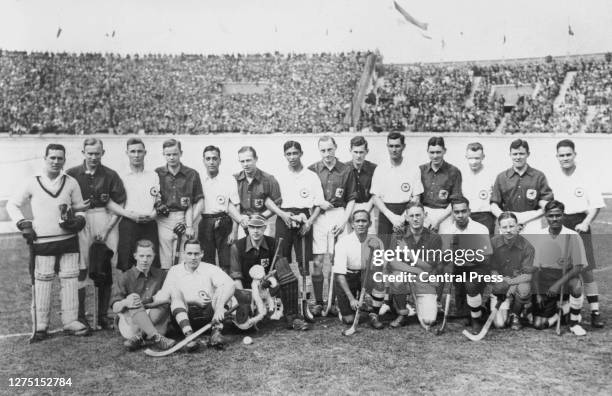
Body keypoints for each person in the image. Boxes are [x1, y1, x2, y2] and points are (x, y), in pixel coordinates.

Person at [8, 143, 89, 341]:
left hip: (69, 240)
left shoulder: (71, 182)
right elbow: (13, 204)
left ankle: (70, 321)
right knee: (43, 281)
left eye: (59, 158)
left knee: (70, 279)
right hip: (42, 240)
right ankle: (41, 325)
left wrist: (79, 219)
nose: (55, 161)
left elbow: (80, 208)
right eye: (52, 158)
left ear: (64, 160)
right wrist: (23, 224)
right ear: (45, 159)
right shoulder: (32, 181)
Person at [66, 137, 126, 330]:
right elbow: (64, 201)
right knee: (81, 268)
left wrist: (108, 227)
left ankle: (103, 316)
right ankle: (80, 316)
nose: (93, 157)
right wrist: (75, 211)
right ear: (83, 152)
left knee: (105, 267)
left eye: (97, 153)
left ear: (103, 153)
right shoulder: (72, 174)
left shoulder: (110, 174)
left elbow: (120, 204)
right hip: (81, 220)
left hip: (105, 219)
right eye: (89, 153)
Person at [548, 139, 605, 328]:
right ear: (557, 157)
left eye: (568, 154)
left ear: (574, 155)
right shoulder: (553, 176)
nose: (565, 158)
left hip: (581, 223)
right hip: (560, 224)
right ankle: (565, 309)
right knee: (561, 268)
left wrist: (586, 222)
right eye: (561, 155)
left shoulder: (586, 175)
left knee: (586, 270)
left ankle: (595, 311)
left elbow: (596, 204)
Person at [230, 214, 309, 331]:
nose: (255, 231)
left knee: (290, 278)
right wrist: (245, 302)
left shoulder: (274, 243)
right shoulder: (237, 246)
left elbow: (281, 268)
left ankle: (293, 317)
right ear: (248, 228)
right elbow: (236, 278)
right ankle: (251, 312)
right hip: (247, 288)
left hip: (268, 285)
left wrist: (272, 279)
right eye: (252, 227)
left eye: (259, 227)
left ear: (264, 228)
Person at [155, 239, 236, 352]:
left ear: (202, 253)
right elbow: (164, 297)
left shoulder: (210, 268)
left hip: (209, 317)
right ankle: (189, 336)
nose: (193, 257)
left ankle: (216, 333)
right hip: (184, 318)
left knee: (223, 289)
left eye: (196, 254)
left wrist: (220, 307)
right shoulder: (174, 271)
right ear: (184, 254)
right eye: (189, 253)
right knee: (175, 292)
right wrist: (192, 301)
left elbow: (231, 285)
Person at [308, 136, 357, 315]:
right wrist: (320, 203)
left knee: (337, 261)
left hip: (339, 215)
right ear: (319, 150)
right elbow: (308, 197)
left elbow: (351, 198)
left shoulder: (346, 170)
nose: (327, 154)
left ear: (336, 148)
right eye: (323, 150)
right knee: (318, 261)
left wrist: (344, 221)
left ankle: (335, 301)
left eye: (330, 149)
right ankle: (319, 302)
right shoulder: (312, 169)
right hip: (319, 217)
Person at [530, 200, 588, 336]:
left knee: (577, 285)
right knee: (539, 325)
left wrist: (557, 285)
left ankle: (574, 323)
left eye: (558, 215)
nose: (554, 219)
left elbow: (578, 266)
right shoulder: (539, 235)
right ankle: (560, 313)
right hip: (545, 278)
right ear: (545, 216)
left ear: (564, 215)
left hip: (565, 277)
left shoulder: (573, 236)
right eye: (551, 216)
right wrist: (538, 293)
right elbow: (534, 267)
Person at [269, 141, 323, 283]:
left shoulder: (311, 176)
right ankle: (285, 296)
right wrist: (282, 214)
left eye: (295, 153)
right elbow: (269, 200)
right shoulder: (279, 175)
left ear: (301, 154)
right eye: (288, 154)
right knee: (281, 261)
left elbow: (319, 204)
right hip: (284, 217)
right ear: (284, 155)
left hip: (303, 218)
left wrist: (309, 223)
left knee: (303, 262)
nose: (292, 157)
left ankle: (305, 297)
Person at [110, 239, 176, 351]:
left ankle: (141, 337)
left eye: (148, 256)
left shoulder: (161, 275)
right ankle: (155, 337)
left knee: (163, 300)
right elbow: (115, 307)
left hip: (157, 320)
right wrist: (126, 302)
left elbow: (169, 299)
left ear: (154, 256)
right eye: (141, 256)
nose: (145, 260)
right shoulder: (125, 277)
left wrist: (149, 305)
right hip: (131, 325)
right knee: (133, 298)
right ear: (135, 256)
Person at [440, 197, 492, 335]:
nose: (460, 215)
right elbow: (444, 257)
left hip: (478, 268)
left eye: (463, 211)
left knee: (471, 285)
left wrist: (464, 256)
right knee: (463, 310)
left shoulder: (480, 229)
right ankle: (474, 312)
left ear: (469, 211)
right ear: (452, 213)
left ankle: (476, 320)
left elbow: (486, 257)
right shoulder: (447, 231)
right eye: (456, 212)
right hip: (458, 269)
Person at [386, 204, 442, 328]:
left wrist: (409, 254)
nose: (415, 219)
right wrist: (416, 270)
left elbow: (429, 267)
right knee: (397, 277)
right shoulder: (398, 234)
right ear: (406, 217)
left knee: (429, 320)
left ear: (425, 216)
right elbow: (392, 262)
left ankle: (415, 303)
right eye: (411, 216)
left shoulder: (434, 237)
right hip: (406, 275)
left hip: (424, 279)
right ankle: (402, 312)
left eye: (418, 215)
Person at [155, 139, 204, 269]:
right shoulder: (157, 173)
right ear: (163, 154)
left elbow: (199, 201)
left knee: (184, 258)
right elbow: (153, 197)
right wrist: (158, 204)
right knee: (165, 257)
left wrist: (189, 224)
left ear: (181, 153)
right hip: (163, 219)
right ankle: (167, 287)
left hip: (184, 216)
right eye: (168, 154)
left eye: (175, 154)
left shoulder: (192, 174)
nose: (171, 157)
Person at [332, 210, 385, 329]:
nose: (361, 224)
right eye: (357, 221)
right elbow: (339, 274)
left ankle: (373, 313)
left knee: (380, 279)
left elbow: (378, 269)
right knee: (349, 320)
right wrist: (351, 299)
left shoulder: (376, 242)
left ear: (370, 224)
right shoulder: (343, 242)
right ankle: (343, 306)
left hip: (364, 275)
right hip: (347, 276)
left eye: (364, 221)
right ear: (352, 224)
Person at [116, 138, 161, 271]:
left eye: (139, 151)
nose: (136, 155)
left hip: (149, 223)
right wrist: (129, 215)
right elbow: (113, 202)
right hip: (129, 223)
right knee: (127, 262)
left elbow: (158, 199)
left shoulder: (153, 175)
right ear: (127, 153)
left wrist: (154, 214)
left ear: (145, 153)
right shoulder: (120, 175)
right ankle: (127, 292)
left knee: (151, 262)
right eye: (133, 151)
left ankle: (150, 292)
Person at [195, 145, 242, 273]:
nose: (211, 162)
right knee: (206, 261)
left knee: (226, 262)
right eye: (208, 158)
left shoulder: (229, 180)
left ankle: (225, 289)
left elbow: (236, 204)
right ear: (203, 160)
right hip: (205, 222)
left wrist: (234, 231)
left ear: (220, 160)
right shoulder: (198, 179)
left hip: (224, 222)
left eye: (214, 158)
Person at [371, 132, 423, 248]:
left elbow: (416, 197)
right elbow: (375, 197)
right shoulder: (380, 169)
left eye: (397, 146)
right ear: (387, 146)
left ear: (403, 146)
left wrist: (403, 217)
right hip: (386, 214)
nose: (394, 150)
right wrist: (391, 216)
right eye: (391, 146)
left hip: (406, 212)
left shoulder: (413, 168)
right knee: (383, 250)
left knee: (406, 252)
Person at [490, 139, 553, 234]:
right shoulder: (502, 177)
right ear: (510, 155)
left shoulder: (539, 176)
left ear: (528, 154)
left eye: (521, 154)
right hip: (508, 221)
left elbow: (547, 203)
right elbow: (494, 203)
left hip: (532, 220)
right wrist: (506, 218)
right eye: (515, 154)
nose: (518, 157)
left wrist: (528, 217)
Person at [489, 212, 535, 330]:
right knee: (500, 324)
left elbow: (528, 276)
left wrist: (510, 283)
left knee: (524, 289)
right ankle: (499, 303)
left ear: (518, 227)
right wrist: (501, 280)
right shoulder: (493, 243)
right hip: (500, 282)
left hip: (517, 282)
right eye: (504, 227)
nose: (508, 230)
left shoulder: (527, 246)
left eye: (511, 226)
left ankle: (516, 313)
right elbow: (491, 269)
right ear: (499, 229)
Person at [234, 146, 283, 238]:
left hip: (262, 221)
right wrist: (240, 218)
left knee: (263, 251)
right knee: (243, 250)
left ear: (256, 159)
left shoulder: (269, 179)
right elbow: (230, 205)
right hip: (242, 222)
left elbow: (278, 204)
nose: (245, 164)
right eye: (242, 161)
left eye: (248, 160)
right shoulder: (235, 180)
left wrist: (260, 217)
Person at [419, 136, 462, 232]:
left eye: (438, 152)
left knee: (445, 245)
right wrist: (424, 217)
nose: (435, 156)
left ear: (444, 151)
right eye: (432, 152)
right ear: (427, 151)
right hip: (424, 214)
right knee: (424, 245)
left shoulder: (454, 171)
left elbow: (456, 200)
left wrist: (438, 220)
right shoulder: (421, 170)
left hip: (445, 214)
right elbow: (416, 197)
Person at [346, 136, 378, 234]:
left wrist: (366, 211)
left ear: (367, 151)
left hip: (368, 207)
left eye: (361, 152)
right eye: (355, 152)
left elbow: (376, 193)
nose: (358, 156)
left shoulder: (374, 169)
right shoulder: (344, 169)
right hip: (349, 209)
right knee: (349, 240)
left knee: (369, 242)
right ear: (350, 151)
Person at [462, 142, 496, 235]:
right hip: (465, 216)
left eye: (477, 158)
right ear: (466, 157)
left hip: (485, 216)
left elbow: (496, 200)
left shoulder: (491, 174)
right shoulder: (461, 174)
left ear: (483, 157)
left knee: (485, 247)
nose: (473, 161)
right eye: (470, 158)